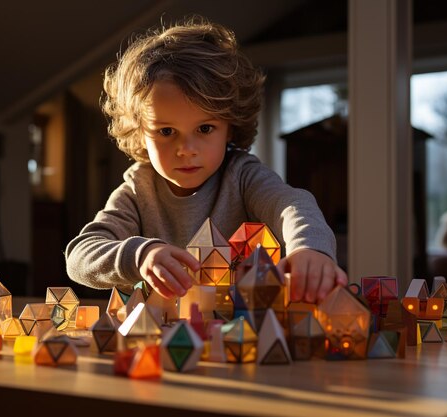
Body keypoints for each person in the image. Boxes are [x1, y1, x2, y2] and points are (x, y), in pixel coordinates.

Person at [65, 17, 347, 304]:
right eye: (166, 131)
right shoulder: (140, 187)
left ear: (230, 127)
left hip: (240, 338)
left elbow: (293, 205)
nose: (186, 149)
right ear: (139, 133)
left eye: (204, 129)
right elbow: (80, 256)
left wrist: (310, 250)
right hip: (165, 341)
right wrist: (140, 255)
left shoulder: (242, 175)